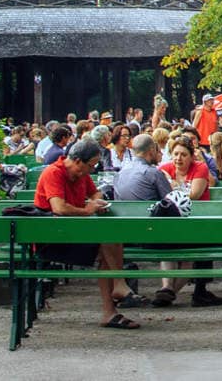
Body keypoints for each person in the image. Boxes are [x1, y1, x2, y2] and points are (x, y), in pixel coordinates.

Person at [33, 139, 140, 329]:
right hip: (52, 241)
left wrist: (97, 203)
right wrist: (87, 210)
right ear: (77, 161)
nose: (91, 171)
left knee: (112, 240)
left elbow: (96, 194)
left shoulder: (81, 174)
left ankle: (112, 306)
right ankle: (117, 288)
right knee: (108, 242)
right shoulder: (53, 172)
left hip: (74, 235)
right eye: (90, 166)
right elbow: (59, 208)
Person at [154, 135, 222, 307]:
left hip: (197, 221)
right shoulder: (164, 167)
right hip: (174, 222)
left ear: (191, 156)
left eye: (183, 155)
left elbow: (195, 194)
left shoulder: (199, 167)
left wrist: (171, 184)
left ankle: (170, 292)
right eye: (176, 154)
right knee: (167, 249)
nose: (178, 158)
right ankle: (166, 288)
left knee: (189, 258)